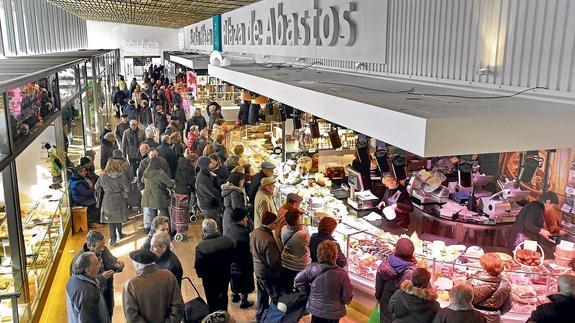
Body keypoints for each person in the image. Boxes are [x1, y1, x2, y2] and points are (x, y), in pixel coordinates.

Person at [294, 240, 353, 323]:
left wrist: (309, 291)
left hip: (316, 309)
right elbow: (347, 298)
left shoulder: (312, 268)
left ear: (318, 253)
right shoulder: (342, 274)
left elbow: (298, 281)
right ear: (335, 255)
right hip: (334, 313)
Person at [70, 230, 124, 319]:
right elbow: (80, 284)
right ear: (89, 246)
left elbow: (111, 262)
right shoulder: (79, 260)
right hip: (93, 297)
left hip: (107, 291)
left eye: (104, 245)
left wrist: (117, 265)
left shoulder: (103, 250)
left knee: (108, 314)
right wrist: (102, 277)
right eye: (100, 247)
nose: (103, 249)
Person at [123, 250, 184, 323]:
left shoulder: (131, 285)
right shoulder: (168, 275)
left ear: (137, 265)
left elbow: (132, 317)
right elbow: (178, 305)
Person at [195, 219, 235, 313]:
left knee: (211, 299)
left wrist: (201, 274)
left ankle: (214, 317)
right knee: (224, 294)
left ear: (204, 231)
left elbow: (198, 266)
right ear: (216, 228)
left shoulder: (201, 247)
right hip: (225, 275)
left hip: (209, 279)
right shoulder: (227, 241)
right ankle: (224, 315)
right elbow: (233, 258)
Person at [376, 237, 418, 323]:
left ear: (396, 250)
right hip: (401, 306)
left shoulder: (385, 264)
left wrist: (378, 296)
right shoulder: (411, 272)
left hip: (386, 300)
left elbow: (379, 283)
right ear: (412, 253)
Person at [250, 211, 283, 321]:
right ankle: (273, 319)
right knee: (276, 298)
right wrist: (281, 269)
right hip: (268, 273)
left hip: (258, 270)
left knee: (262, 296)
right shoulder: (269, 240)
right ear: (270, 224)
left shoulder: (255, 232)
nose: (277, 224)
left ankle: (260, 317)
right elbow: (273, 262)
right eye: (275, 222)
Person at [468, 253, 512, 323]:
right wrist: (496, 312)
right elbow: (508, 306)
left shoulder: (473, 281)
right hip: (493, 319)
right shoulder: (506, 284)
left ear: (484, 267)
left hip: (473, 317)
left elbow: (465, 301)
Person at [67, 252, 110, 323]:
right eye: (96, 264)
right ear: (88, 270)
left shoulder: (73, 279)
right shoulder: (88, 293)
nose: (99, 266)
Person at [224, 208, 255, 308]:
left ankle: (235, 295)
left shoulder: (229, 229)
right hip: (243, 262)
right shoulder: (244, 232)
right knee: (245, 280)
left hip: (231, 261)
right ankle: (244, 300)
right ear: (242, 219)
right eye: (245, 217)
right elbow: (248, 249)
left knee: (234, 279)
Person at [94, 160, 130, 246]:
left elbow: (96, 186)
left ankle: (113, 239)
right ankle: (120, 234)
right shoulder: (121, 176)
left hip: (108, 198)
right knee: (118, 217)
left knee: (110, 220)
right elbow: (127, 189)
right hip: (119, 198)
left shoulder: (103, 176)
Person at [281, 210, 311, 293]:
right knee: (300, 286)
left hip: (286, 262)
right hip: (299, 265)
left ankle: (288, 300)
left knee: (288, 284)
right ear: (297, 220)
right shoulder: (304, 234)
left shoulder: (283, 229)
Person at [142, 157, 175, 228]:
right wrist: (174, 181)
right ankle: (167, 231)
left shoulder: (146, 172)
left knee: (152, 218)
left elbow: (142, 181)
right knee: (165, 216)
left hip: (148, 196)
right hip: (159, 197)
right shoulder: (160, 173)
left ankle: (153, 232)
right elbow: (170, 183)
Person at [195, 156, 223, 230]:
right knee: (211, 227)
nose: (212, 163)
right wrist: (220, 194)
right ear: (206, 165)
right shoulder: (203, 178)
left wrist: (215, 177)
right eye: (210, 162)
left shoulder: (205, 174)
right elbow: (213, 192)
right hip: (208, 206)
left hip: (208, 204)